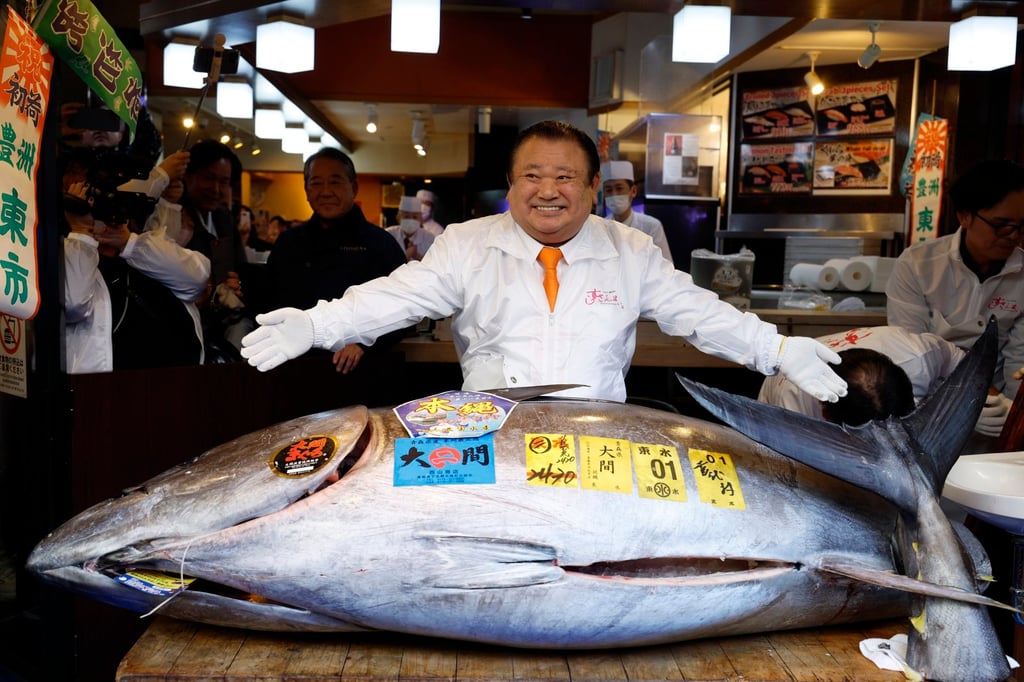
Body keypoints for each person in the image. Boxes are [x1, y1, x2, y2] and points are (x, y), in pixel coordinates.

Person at [241, 120, 847, 405]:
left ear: (591, 190)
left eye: (564, 177)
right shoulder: (468, 242)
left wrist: (778, 350)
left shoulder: (630, 249)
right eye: (532, 175)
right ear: (511, 185)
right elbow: (398, 295)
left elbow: (699, 312)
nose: (547, 189)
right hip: (488, 430)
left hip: (598, 436)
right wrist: (317, 325)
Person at [886, 159, 1024, 439]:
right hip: (928, 406)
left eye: (1022, 226)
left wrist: (1013, 413)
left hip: (996, 409)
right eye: (1001, 225)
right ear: (965, 216)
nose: (1014, 236)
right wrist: (958, 403)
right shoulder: (918, 265)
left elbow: (1018, 358)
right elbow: (910, 351)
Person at [263, 147, 409, 374]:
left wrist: (365, 342)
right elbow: (270, 302)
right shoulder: (289, 242)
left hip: (361, 371)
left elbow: (404, 308)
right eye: (316, 183)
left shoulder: (380, 243)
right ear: (306, 190)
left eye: (335, 182)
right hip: (294, 370)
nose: (326, 191)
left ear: (354, 187)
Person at [63, 180, 210, 373]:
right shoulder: (70, 254)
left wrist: (127, 243)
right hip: (107, 393)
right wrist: (81, 232)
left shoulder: (148, 248)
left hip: (178, 390)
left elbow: (197, 277)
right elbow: (74, 304)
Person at [759, 325, 971, 424]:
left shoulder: (917, 355)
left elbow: (959, 361)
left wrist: (970, 401)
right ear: (825, 412)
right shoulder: (792, 406)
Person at [179, 140, 250, 360]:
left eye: (224, 181)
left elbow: (241, 268)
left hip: (225, 323)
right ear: (188, 176)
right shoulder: (176, 219)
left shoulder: (224, 219)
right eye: (208, 178)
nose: (216, 189)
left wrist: (238, 286)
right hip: (187, 326)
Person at [601, 160, 672, 262]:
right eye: (608, 190)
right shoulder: (602, 227)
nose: (614, 194)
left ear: (633, 191)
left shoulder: (651, 227)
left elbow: (666, 267)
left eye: (619, 188)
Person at [387, 195, 435, 261]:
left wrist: (416, 255)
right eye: (406, 216)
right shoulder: (389, 234)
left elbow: (433, 264)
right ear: (398, 218)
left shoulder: (429, 238)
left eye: (415, 217)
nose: (411, 220)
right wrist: (407, 256)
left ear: (421, 219)